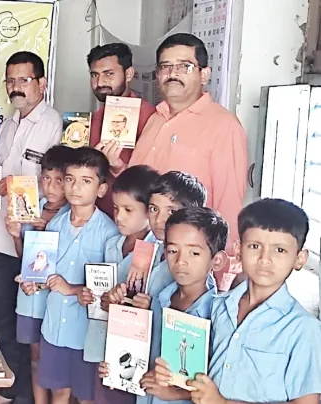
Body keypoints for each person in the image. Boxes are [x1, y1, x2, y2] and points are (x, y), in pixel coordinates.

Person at [155, 199, 321, 404]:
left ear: (300, 258)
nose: (264, 259)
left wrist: (223, 403)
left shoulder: (303, 329)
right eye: (254, 246)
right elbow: (202, 375)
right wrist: (173, 382)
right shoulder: (219, 307)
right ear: (239, 250)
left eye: (279, 250)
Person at [0, 49, 61, 404]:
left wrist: (15, 184)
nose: (16, 87)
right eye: (11, 80)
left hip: (26, 240)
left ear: (41, 83)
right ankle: (6, 385)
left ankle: (15, 393)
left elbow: (54, 183)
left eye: (24, 79)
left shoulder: (52, 123)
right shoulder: (8, 124)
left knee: (17, 320)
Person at [109, 34, 248, 247]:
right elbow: (144, 187)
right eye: (165, 66)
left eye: (184, 66)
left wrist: (221, 259)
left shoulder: (223, 125)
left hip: (189, 249)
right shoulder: (155, 118)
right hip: (146, 248)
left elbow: (228, 204)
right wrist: (119, 168)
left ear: (204, 74)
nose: (172, 73)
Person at [17, 147, 120, 404]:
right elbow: (45, 274)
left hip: (86, 332)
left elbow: (109, 290)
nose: (76, 187)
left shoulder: (109, 233)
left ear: (101, 189)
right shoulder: (54, 226)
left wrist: (72, 289)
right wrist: (33, 284)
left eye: (86, 181)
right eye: (70, 179)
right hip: (54, 327)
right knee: (59, 391)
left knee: (87, 396)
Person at [100, 207, 225, 404]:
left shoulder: (220, 317)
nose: (181, 261)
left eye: (194, 253)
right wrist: (117, 370)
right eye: (173, 251)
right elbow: (143, 357)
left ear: (216, 261)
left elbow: (223, 385)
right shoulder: (159, 300)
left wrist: (176, 394)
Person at [83, 164, 159, 404]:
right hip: (103, 343)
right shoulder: (112, 244)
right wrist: (99, 297)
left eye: (128, 210)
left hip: (133, 353)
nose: (119, 216)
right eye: (116, 208)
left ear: (150, 211)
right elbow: (102, 292)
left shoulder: (158, 253)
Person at [3, 146, 71, 404]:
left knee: (57, 363)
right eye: (46, 178)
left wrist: (50, 229)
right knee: (36, 357)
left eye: (59, 180)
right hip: (31, 297)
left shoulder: (71, 215)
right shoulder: (33, 207)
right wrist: (15, 235)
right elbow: (26, 259)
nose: (51, 187)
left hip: (56, 299)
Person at [105, 171, 207, 314]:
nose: (158, 219)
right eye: (154, 209)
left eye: (171, 211)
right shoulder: (147, 253)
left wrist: (152, 309)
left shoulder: (197, 263)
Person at [86, 43, 156, 217]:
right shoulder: (94, 118)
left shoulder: (149, 117)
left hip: (131, 220)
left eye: (109, 74)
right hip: (95, 218)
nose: (100, 82)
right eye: (94, 75)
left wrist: (118, 168)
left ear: (129, 74)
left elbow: (154, 181)